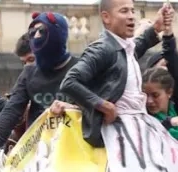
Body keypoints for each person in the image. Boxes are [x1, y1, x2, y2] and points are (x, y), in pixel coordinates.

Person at [0, 12, 78, 172]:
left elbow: (100, 105)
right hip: (40, 157)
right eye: (33, 33)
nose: (36, 37)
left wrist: (73, 108)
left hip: (77, 155)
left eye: (41, 32)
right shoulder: (29, 74)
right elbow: (11, 110)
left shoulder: (81, 67)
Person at [59, 0, 170, 148]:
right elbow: (69, 82)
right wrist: (104, 106)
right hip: (115, 139)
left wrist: (156, 27)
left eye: (132, 10)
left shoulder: (123, 49)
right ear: (106, 17)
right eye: (124, 11)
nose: (131, 16)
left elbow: (132, 50)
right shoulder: (102, 49)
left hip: (133, 134)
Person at [142, 67, 178, 138]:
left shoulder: (175, 108)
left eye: (155, 95)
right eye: (145, 95)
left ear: (169, 92)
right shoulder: (143, 119)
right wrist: (169, 123)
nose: (149, 101)